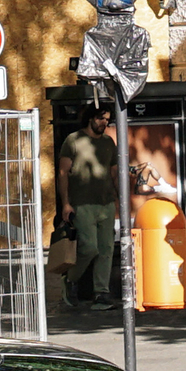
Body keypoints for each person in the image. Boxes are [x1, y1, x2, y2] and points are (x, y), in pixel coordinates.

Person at [56, 107, 120, 309]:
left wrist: (119, 199)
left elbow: (114, 171)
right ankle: (70, 279)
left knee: (106, 249)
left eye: (107, 120)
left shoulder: (109, 142)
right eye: (101, 119)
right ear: (90, 118)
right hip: (82, 203)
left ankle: (101, 293)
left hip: (106, 203)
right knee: (89, 247)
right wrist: (65, 203)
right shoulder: (73, 140)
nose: (104, 124)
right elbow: (63, 172)